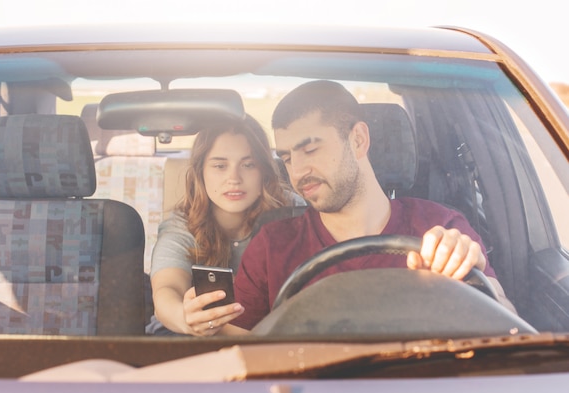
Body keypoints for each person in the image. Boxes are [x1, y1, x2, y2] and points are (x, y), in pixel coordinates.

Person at [230, 80, 515, 331]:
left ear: (358, 140)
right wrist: (191, 319)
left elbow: (509, 325)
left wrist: (473, 277)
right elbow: (237, 350)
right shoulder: (272, 246)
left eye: (310, 150)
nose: (298, 171)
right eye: (288, 158)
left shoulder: (439, 230)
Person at [148, 114, 299, 336]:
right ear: (201, 172)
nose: (234, 178)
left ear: (264, 171)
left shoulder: (294, 212)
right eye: (220, 165)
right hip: (190, 341)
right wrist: (186, 318)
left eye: (248, 165)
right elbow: (166, 289)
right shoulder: (183, 226)